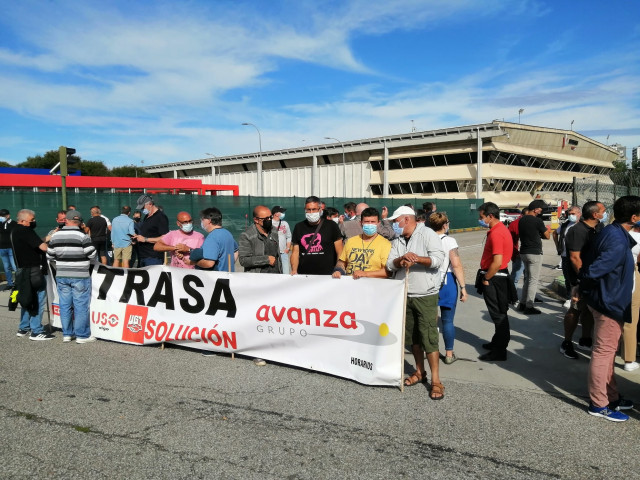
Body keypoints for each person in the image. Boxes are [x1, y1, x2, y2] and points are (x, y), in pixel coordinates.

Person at [579, 195, 640, 422]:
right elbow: (595, 269)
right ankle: (599, 403)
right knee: (603, 353)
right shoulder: (616, 238)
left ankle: (611, 396)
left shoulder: (614, 231)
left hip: (608, 300)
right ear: (633, 217)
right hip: (609, 302)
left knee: (608, 351)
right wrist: (581, 286)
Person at [386, 206, 446, 399]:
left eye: (396, 221)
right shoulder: (397, 239)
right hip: (404, 293)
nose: (395, 225)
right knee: (412, 338)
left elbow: (438, 259)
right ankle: (420, 372)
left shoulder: (427, 234)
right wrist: (401, 259)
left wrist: (417, 259)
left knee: (429, 337)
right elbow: (389, 264)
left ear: (407, 219)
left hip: (425, 294)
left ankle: (436, 381)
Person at [560, 201, 604, 358]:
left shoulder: (599, 227)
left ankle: (586, 339)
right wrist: (583, 278)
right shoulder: (577, 230)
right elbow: (574, 258)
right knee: (575, 309)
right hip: (580, 278)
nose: (604, 213)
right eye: (603, 211)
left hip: (594, 277)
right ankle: (566, 343)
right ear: (594, 214)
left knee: (588, 310)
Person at [46, 210, 97, 343]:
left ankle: (67, 334)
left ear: (66, 221)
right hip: (80, 275)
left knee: (65, 305)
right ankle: (82, 335)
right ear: (79, 222)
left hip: (62, 274)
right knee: (80, 305)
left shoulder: (55, 236)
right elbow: (92, 254)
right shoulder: (83, 236)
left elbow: (49, 255)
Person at [477, 202, 516, 361]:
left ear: (490, 216)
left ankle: (500, 350)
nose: (480, 220)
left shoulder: (496, 233)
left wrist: (487, 278)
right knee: (499, 313)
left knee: (498, 315)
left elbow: (497, 261)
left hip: (495, 277)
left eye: (481, 217)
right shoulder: (498, 230)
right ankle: (497, 342)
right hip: (496, 276)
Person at [429, 212, 468, 364]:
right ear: (445, 225)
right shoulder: (450, 241)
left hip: (429, 282)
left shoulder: (426, 239)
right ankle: (449, 354)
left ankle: (430, 350)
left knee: (430, 320)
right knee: (447, 321)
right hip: (447, 282)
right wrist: (463, 287)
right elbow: (456, 264)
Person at [11, 209, 54, 340]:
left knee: (26, 298)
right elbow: (43, 247)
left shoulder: (16, 231)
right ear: (23, 220)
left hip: (22, 270)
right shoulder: (26, 230)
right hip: (33, 270)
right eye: (32, 220)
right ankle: (36, 330)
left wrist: (50, 236)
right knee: (37, 299)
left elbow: (35, 242)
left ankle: (24, 328)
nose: (34, 222)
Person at [332, 207, 391, 279]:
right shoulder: (351, 241)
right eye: (366, 222)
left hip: (373, 287)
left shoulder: (385, 244)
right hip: (350, 286)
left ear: (378, 223)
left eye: (373, 222)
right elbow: (341, 262)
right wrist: (338, 270)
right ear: (361, 223)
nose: (370, 224)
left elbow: (388, 272)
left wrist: (365, 274)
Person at [291, 196, 343, 275]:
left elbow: (340, 251)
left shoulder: (331, 226)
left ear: (320, 210)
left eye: (314, 209)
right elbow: (295, 252)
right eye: (308, 209)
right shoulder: (299, 227)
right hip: (304, 275)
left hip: (327, 275)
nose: (311, 212)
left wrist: (338, 269)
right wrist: (294, 270)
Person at [517, 199, 551, 314]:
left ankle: (522, 303)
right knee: (533, 280)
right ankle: (529, 306)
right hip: (534, 253)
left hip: (524, 252)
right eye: (540, 209)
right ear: (536, 209)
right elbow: (547, 236)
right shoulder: (538, 221)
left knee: (527, 278)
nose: (541, 211)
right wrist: (548, 230)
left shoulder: (522, 220)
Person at [189, 207, 238, 271]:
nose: (202, 222)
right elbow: (236, 251)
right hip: (228, 276)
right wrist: (229, 265)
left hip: (217, 278)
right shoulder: (227, 233)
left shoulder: (212, 237)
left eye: (202, 220)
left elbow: (209, 263)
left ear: (209, 221)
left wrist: (194, 262)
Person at [238, 205, 281, 273]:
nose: (269, 220)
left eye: (270, 217)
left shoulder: (274, 231)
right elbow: (243, 260)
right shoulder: (246, 236)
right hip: (257, 279)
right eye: (266, 218)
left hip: (275, 276)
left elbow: (278, 256)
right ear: (256, 220)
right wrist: (266, 260)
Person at [553, 205, 581, 308]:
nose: (571, 216)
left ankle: (579, 298)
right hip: (565, 256)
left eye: (573, 214)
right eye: (569, 214)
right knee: (567, 278)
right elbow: (555, 233)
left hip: (579, 256)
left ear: (579, 214)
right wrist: (558, 247)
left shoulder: (581, 225)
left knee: (578, 278)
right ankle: (569, 298)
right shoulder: (565, 225)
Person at [132, 194, 170, 267]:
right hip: (143, 256)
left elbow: (164, 238)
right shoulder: (147, 217)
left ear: (150, 204)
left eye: (143, 207)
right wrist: (137, 238)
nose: (142, 209)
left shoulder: (161, 217)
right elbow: (148, 233)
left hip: (153, 257)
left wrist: (145, 239)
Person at [623, 221, 640, 372]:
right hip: (632, 274)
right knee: (631, 319)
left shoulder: (619, 233)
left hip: (615, 276)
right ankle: (629, 359)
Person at [507, 207, 528, 291]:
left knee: (528, 277)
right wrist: (514, 255)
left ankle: (528, 296)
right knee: (515, 276)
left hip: (530, 254)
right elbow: (509, 241)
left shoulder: (532, 223)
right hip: (518, 255)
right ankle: (512, 297)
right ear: (522, 215)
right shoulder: (514, 224)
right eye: (526, 216)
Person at [0, 208, 17, 290]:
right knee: (6, 267)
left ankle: (19, 282)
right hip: (2, 248)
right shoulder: (0, 223)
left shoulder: (14, 224)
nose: (1, 217)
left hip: (11, 248)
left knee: (14, 266)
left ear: (8, 216)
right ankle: (10, 283)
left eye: (3, 216)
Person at [272, 206, 292, 274]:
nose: (283, 213)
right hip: (272, 254)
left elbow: (289, 237)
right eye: (282, 212)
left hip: (283, 253)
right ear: (276, 213)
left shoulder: (285, 223)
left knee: (286, 273)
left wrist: (288, 248)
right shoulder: (269, 223)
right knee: (273, 273)